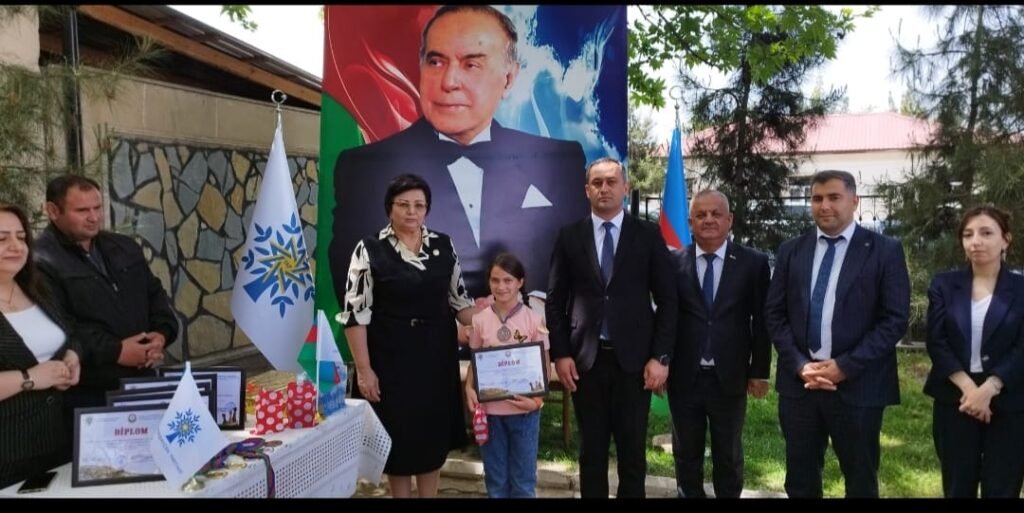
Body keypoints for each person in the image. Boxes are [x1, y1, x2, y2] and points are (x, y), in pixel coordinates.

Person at [330, 5, 589, 301]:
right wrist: (450, 320)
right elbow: (353, 281)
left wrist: (530, 309)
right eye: (436, 62)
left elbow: (581, 265)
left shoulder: (559, 162)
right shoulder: (365, 169)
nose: (449, 81)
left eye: (471, 65)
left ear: (508, 78)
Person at [764, 170, 910, 498]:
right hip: (801, 385)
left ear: (854, 201)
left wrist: (844, 366)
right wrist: (800, 364)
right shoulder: (791, 250)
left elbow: (894, 319)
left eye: (834, 197)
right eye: (817, 198)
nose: (824, 205)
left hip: (858, 386)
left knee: (860, 480)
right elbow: (774, 313)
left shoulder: (884, 250)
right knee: (800, 480)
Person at [338, 173, 477, 498]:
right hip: (390, 361)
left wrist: (497, 319)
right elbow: (356, 314)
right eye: (403, 204)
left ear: (427, 209)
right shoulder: (368, 249)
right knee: (397, 440)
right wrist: (364, 369)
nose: (411, 212)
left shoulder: (443, 245)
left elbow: (461, 303)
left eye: (419, 205)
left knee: (431, 437)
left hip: (436, 360)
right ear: (390, 207)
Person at [546, 157, 677, 498]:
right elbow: (554, 301)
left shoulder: (647, 235)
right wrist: (561, 354)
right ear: (586, 190)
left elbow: (668, 299)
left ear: (626, 188)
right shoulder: (569, 236)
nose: (604, 188)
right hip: (585, 363)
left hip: (635, 364)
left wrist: (660, 357)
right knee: (591, 454)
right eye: (597, 183)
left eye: (611, 182)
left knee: (632, 455)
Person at [33, 175, 178, 413]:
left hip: (142, 380)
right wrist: (116, 351)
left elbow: (154, 293)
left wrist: (162, 333)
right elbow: (58, 325)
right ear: (53, 211)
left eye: (97, 207)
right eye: (82, 210)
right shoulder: (39, 261)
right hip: (87, 392)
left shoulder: (124, 247)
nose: (94, 217)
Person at [666, 190, 771, 498]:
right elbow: (665, 318)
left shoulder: (753, 263)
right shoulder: (673, 262)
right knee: (686, 453)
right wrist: (661, 361)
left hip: (731, 376)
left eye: (715, 214)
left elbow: (762, 321)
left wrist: (759, 371)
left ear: (729, 220)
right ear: (690, 222)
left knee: (728, 454)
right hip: (684, 375)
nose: (708, 220)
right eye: (700, 215)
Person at [924, 205, 1024, 497]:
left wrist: (991, 387)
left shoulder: (1021, 288)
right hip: (956, 399)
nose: (975, 241)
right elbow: (937, 341)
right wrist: (971, 391)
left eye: (986, 233)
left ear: (1006, 239)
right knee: (957, 486)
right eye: (968, 235)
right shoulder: (943, 285)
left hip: (1010, 400)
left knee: (1002, 487)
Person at [0, 203, 81, 489]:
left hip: (59, 440)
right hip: (7, 454)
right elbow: (36, 374)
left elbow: (70, 331)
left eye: (21, 237)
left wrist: (72, 356)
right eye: (2, 238)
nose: (16, 246)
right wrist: (30, 378)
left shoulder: (36, 286)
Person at [464, 253, 548, 498]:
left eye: (508, 280)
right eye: (495, 280)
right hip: (490, 414)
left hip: (524, 413)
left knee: (523, 483)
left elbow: (544, 364)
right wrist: (469, 387)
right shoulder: (480, 320)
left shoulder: (534, 320)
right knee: (496, 482)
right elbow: (475, 362)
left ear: (520, 282)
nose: (501, 286)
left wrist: (537, 400)